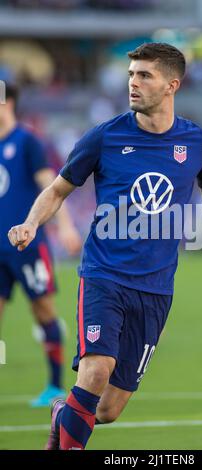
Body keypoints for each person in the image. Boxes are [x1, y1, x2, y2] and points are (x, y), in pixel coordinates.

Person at [7, 43, 202, 450]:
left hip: (155, 289)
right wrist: (30, 222)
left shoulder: (198, 142)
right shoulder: (105, 135)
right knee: (96, 371)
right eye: (131, 74)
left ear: (172, 85)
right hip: (104, 276)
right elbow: (58, 189)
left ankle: (62, 413)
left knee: (107, 409)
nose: (133, 83)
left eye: (144, 75)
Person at [0, 84, 81, 407]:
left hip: (27, 246)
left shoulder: (27, 141)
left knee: (43, 311)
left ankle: (54, 385)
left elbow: (50, 187)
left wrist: (65, 226)